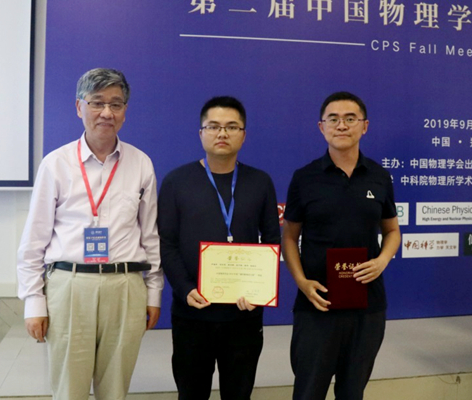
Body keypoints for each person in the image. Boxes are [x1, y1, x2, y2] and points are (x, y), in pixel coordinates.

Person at [17, 68, 163, 400]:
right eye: (97, 103)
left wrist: (154, 292)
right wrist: (33, 301)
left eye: (116, 104)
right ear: (79, 107)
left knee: (116, 390)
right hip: (70, 286)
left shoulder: (141, 163)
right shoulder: (56, 164)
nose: (107, 112)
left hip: (125, 286)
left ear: (125, 111)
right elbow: (33, 240)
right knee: (69, 389)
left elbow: (150, 235)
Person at [157, 96, 281, 400]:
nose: (222, 133)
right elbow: (166, 242)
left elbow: (272, 241)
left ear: (243, 134)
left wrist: (259, 291)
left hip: (243, 314)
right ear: (201, 133)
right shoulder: (176, 181)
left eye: (231, 127)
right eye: (213, 126)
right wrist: (185, 288)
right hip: (192, 312)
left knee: (238, 393)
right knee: (191, 393)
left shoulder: (260, 182)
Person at [282, 92, 401, 400]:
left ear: (365, 126)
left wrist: (382, 261)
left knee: (352, 392)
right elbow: (289, 237)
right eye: (333, 119)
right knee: (308, 392)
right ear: (321, 127)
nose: (342, 125)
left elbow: (392, 231)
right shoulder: (304, 177)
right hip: (317, 303)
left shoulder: (379, 176)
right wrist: (302, 282)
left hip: (367, 305)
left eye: (350, 119)